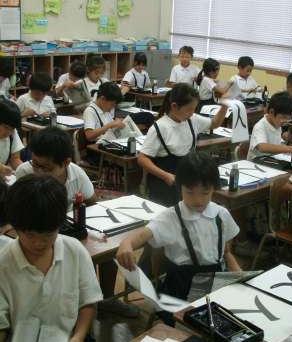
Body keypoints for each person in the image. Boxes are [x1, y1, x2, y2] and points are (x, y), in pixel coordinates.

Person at [0, 175, 103, 342]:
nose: (38, 243)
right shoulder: (3, 264)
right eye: (30, 235)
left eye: (48, 235)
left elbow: (88, 302)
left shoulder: (74, 250)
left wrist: (78, 337)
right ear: (15, 227)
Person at [117, 151, 240, 300]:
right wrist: (127, 243)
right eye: (190, 192)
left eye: (205, 193)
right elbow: (143, 234)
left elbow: (226, 252)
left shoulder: (221, 214)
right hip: (181, 287)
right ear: (180, 187)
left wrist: (238, 273)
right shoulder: (171, 217)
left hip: (214, 283)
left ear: (214, 188)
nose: (198, 200)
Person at [139, 83, 228, 206]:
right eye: (189, 110)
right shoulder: (160, 127)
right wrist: (165, 176)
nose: (192, 113)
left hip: (187, 179)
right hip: (164, 183)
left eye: (194, 109)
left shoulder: (192, 120)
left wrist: (225, 105)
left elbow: (214, 123)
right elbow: (142, 158)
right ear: (174, 106)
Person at [15, 127, 95, 208]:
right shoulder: (24, 172)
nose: (39, 172)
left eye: (46, 168)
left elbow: (91, 203)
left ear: (66, 163)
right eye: (35, 164)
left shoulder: (77, 175)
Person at [247, 92, 292, 160]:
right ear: (271, 112)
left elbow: (276, 146)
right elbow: (262, 147)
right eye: (284, 117)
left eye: (289, 118)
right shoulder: (260, 126)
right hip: (256, 163)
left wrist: (287, 147)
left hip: (271, 161)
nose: (286, 121)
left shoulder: (277, 125)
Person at [0, 100, 23, 178]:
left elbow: (15, 159)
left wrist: (24, 170)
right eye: (6, 127)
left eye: (12, 129)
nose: (8, 132)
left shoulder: (12, 133)